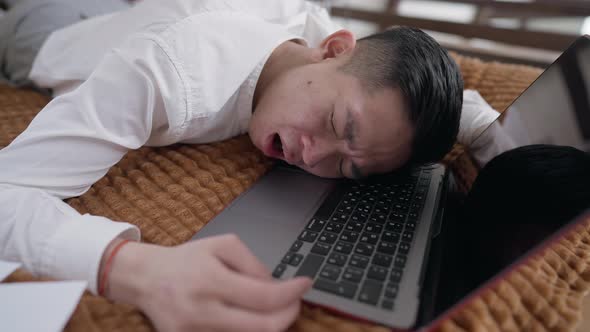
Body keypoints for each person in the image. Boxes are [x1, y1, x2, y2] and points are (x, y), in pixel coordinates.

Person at [0, 0, 475, 331]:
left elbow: (449, 99)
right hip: (50, 31)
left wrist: (488, 130)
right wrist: (128, 268)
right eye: (336, 123)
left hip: (123, 16)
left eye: (348, 169)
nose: (312, 156)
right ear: (333, 49)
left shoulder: (308, 29)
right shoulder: (169, 70)